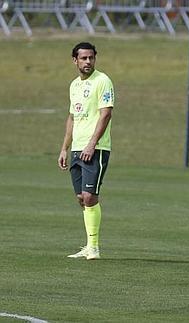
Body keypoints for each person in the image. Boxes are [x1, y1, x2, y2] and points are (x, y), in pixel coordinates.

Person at [58, 42, 115, 260]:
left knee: (90, 196)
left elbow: (106, 114)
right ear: (75, 60)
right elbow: (72, 117)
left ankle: (94, 248)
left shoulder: (103, 81)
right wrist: (64, 148)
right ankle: (88, 245)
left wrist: (92, 143)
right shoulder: (74, 85)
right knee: (81, 198)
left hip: (96, 147)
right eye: (83, 58)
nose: (88, 62)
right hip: (76, 148)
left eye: (91, 58)